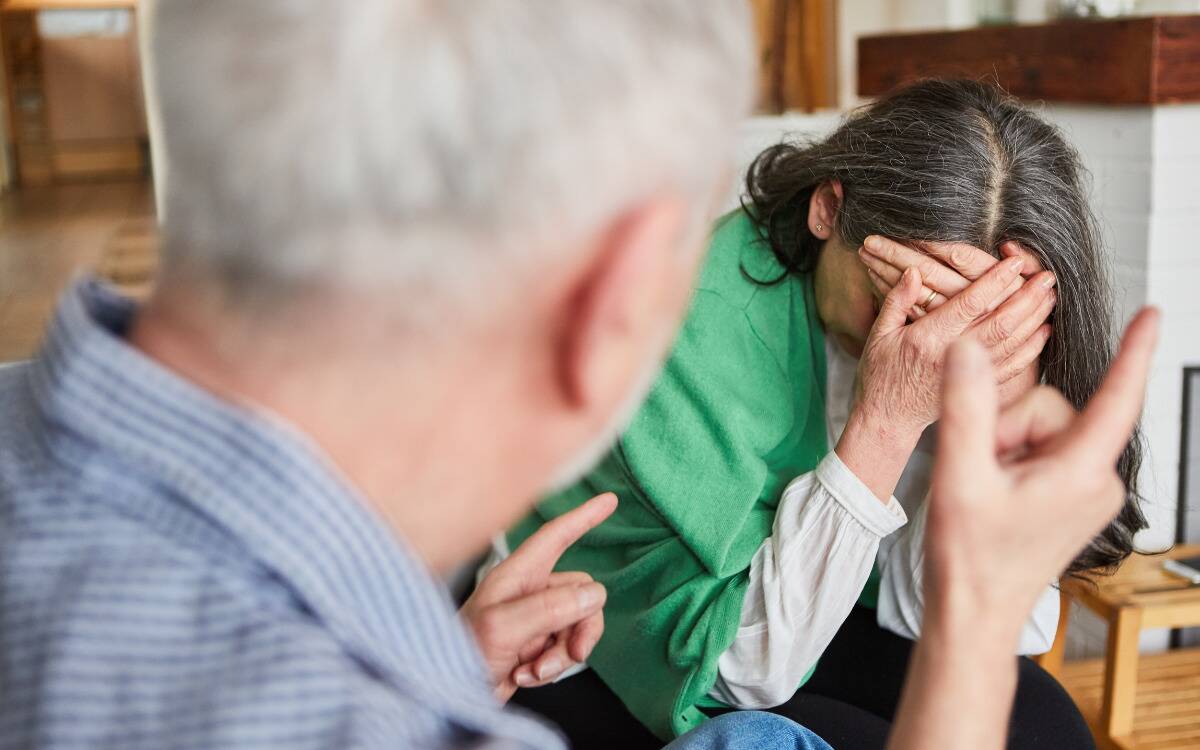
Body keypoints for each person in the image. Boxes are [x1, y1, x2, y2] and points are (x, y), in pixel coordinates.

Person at [0, 3, 1159, 750]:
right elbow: (748, 668)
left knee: (1042, 719)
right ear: (617, 309)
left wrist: (441, 654)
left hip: (569, 635)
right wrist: (971, 594)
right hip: (682, 660)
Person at [501, 80, 1137, 749]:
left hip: (819, 605)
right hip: (635, 642)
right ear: (828, 210)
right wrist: (887, 421)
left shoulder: (965, 352)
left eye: (973, 326)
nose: (924, 347)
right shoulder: (687, 322)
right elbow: (750, 672)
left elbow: (932, 613)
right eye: (892, 301)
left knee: (1044, 726)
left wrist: (995, 399)